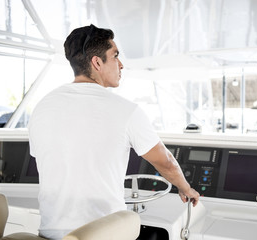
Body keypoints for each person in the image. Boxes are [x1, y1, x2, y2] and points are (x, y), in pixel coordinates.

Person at [28, 24, 199, 239]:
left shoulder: (42, 107)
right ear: (97, 62)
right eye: (115, 56)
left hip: (50, 233)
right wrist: (185, 188)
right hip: (101, 234)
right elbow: (166, 162)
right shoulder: (126, 111)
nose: (121, 65)